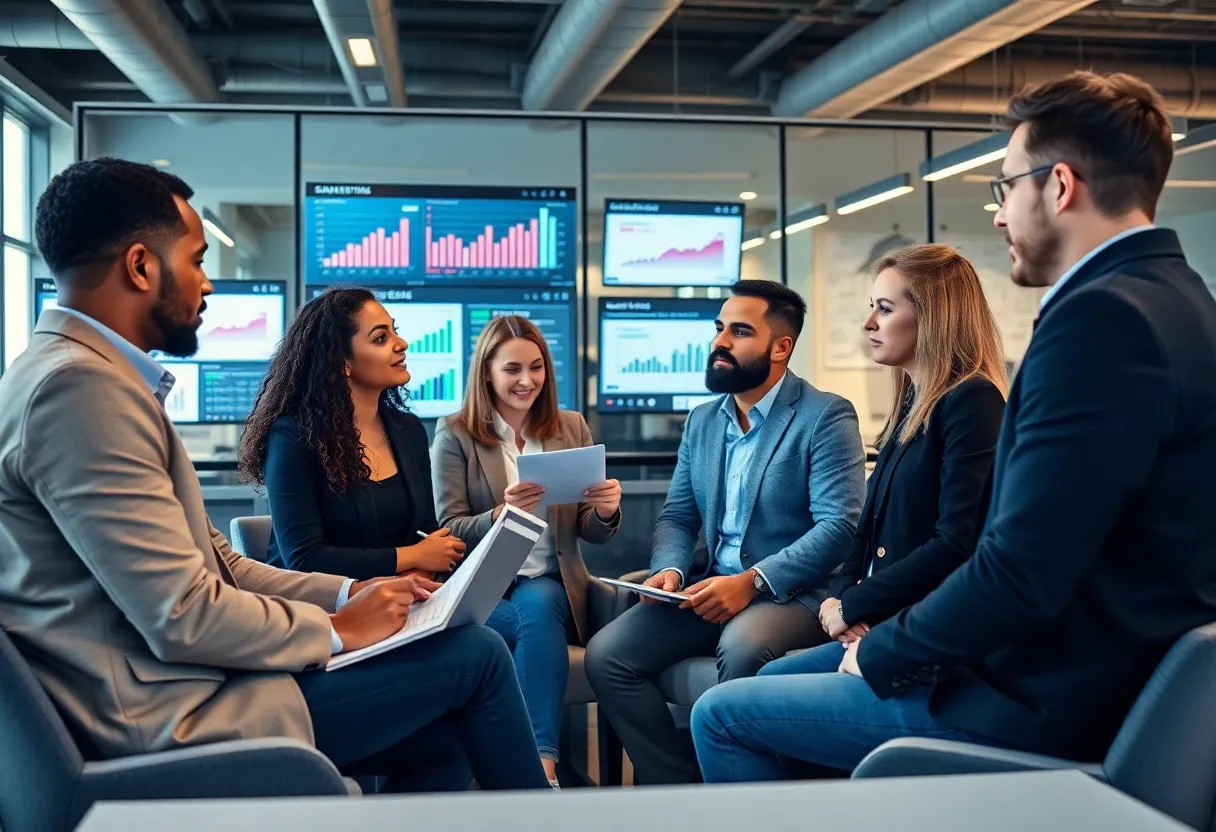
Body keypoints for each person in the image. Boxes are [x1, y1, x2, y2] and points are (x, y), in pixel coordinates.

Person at [691, 71, 1216, 782]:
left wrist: (882, 650)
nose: (999, 216)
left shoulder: (1101, 321)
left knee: (721, 716)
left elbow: (1019, 569)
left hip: (1041, 697)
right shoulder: (1183, 299)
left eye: (1006, 188)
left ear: (1059, 186)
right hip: (1115, 680)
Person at [0, 157, 548, 793]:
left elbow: (221, 566)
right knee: (475, 657)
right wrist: (337, 629)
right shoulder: (81, 390)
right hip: (168, 715)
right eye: (198, 260)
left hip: (189, 683)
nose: (207, 284)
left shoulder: (74, 375)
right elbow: (181, 617)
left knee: (450, 723)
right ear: (142, 266)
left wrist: (349, 597)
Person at [690, 244, 1008, 778]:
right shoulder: (913, 401)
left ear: (932, 317)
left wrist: (856, 602)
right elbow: (867, 531)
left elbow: (957, 544)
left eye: (885, 308)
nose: (869, 323)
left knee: (719, 713)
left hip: (928, 648)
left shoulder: (972, 402)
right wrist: (843, 601)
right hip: (877, 625)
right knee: (752, 693)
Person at [585, 279, 866, 785]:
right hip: (709, 587)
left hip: (791, 594)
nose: (720, 342)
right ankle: (681, 786)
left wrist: (752, 582)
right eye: (719, 328)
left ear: (781, 347)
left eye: (739, 331)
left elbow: (839, 527)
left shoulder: (825, 416)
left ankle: (744, 791)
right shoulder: (703, 421)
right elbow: (678, 516)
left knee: (740, 648)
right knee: (608, 656)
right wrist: (669, 569)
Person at [430, 315, 622, 787]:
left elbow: (588, 532)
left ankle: (540, 768)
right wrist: (498, 515)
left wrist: (604, 512)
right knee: (530, 628)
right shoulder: (456, 434)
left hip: (546, 583)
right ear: (487, 374)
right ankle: (532, 772)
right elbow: (448, 528)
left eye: (535, 368)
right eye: (513, 369)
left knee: (539, 607)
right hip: (485, 587)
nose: (526, 380)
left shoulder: (570, 427)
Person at [238, 287, 467, 582]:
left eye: (394, 331)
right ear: (342, 360)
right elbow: (304, 559)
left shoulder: (408, 430)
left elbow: (424, 531)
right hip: (325, 608)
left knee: (501, 618)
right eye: (381, 338)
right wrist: (411, 558)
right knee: (486, 630)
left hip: (406, 593)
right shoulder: (292, 437)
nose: (402, 344)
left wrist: (424, 568)